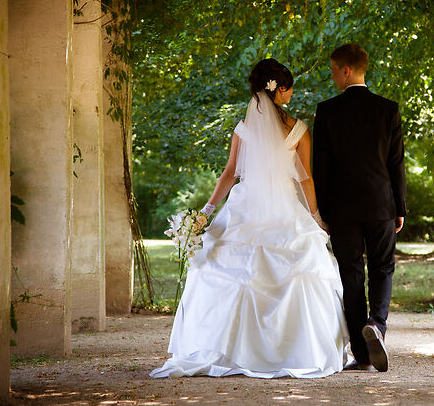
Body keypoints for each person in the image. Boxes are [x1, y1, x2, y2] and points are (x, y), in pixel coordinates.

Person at [150, 59, 348, 379]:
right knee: (302, 270)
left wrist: (206, 213)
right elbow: (306, 179)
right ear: (280, 89)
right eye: (289, 88)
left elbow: (229, 174)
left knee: (227, 270)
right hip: (284, 209)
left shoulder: (243, 128)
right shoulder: (298, 129)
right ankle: (294, 349)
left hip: (244, 207)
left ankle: (230, 348)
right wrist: (314, 217)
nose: (291, 94)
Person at [313, 43, 407, 373]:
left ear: (346, 70)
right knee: (382, 267)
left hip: (342, 209)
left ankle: (363, 355)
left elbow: (319, 169)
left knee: (351, 275)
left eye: (334, 70)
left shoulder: (326, 112)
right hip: (382, 203)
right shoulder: (388, 109)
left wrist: (322, 211)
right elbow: (396, 164)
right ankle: (377, 325)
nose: (332, 77)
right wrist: (400, 207)